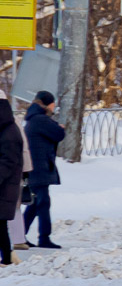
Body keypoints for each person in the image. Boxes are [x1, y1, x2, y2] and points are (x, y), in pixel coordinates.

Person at [23, 89, 65, 249]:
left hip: (36, 167)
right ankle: (44, 238)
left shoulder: (34, 118)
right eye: (53, 105)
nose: (54, 108)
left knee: (35, 204)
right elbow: (58, 134)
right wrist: (60, 127)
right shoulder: (40, 119)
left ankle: (20, 236)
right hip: (39, 168)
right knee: (43, 202)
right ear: (48, 104)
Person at [0, 93, 24, 265]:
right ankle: (8, 257)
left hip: (4, 186)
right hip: (4, 185)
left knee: (0, 225)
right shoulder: (5, 129)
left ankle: (8, 259)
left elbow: (8, 162)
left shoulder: (9, 133)